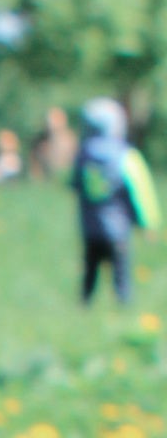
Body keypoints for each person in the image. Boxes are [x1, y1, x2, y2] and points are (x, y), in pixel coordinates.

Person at [75, 99, 155, 306]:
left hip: (90, 228)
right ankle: (123, 307)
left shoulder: (83, 154)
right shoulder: (126, 155)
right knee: (120, 275)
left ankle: (84, 306)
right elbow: (141, 192)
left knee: (90, 273)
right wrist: (148, 223)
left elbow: (74, 184)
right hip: (118, 229)